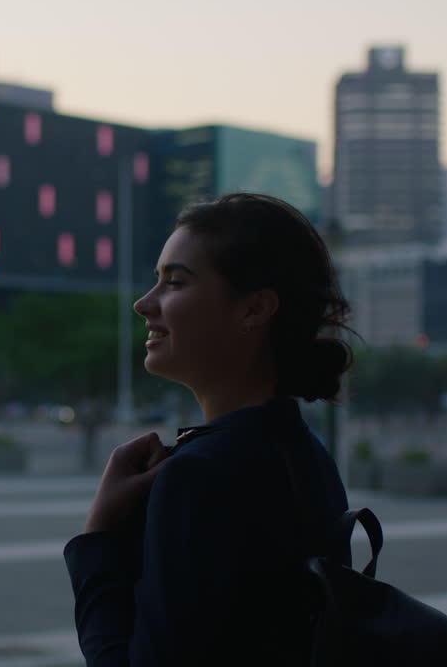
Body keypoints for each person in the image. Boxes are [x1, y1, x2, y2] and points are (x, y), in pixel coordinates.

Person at [64, 193, 354, 666]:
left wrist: (98, 538)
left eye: (175, 283)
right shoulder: (303, 453)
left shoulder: (201, 475)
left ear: (254, 309)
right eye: (155, 281)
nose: (144, 303)